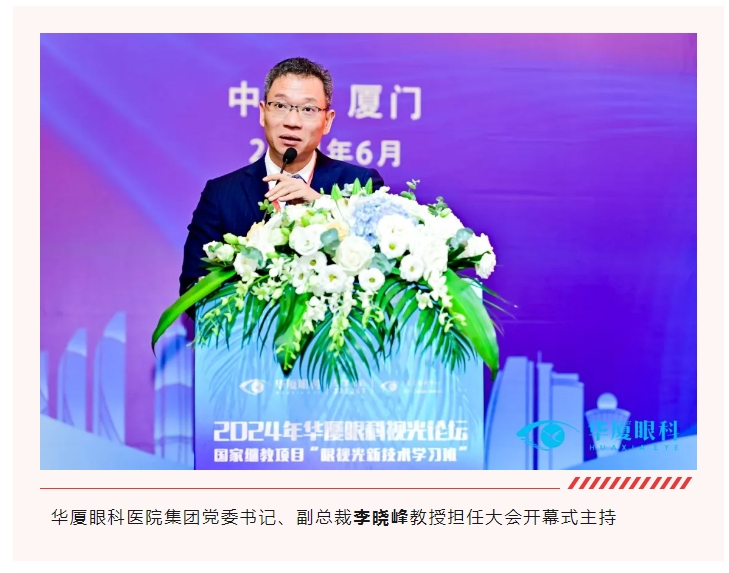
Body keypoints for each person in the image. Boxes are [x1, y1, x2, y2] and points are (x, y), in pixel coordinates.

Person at [179, 57, 386, 296]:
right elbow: (193, 289)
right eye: (280, 106)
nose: (292, 122)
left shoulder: (360, 184)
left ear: (327, 121)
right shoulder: (221, 195)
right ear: (262, 113)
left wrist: (323, 206)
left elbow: (380, 277)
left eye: (308, 109)